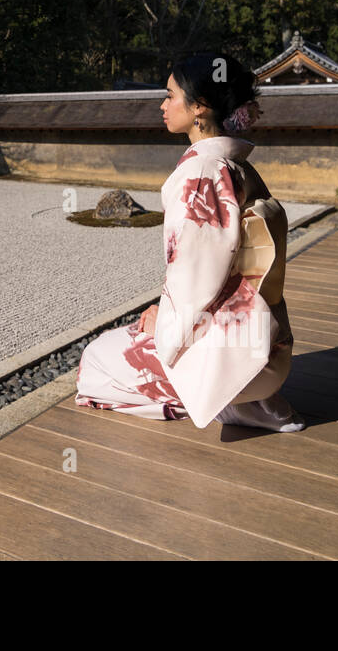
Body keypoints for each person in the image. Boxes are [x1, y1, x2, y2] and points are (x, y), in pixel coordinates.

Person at [74, 52, 305, 432]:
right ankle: (249, 403)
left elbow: (195, 282)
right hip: (269, 347)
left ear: (199, 106)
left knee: (95, 360)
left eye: (169, 96)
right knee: (134, 332)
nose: (163, 106)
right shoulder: (237, 166)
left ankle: (220, 403)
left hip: (234, 364)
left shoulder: (201, 173)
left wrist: (161, 326)